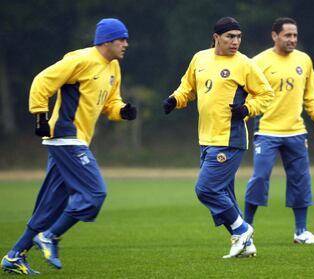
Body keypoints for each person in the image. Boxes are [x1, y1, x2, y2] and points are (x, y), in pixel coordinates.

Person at [1, 18, 137, 275]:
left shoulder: (113, 67)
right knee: (95, 194)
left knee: (51, 205)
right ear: (107, 40)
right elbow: (42, 81)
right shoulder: (80, 60)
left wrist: (122, 111)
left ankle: (14, 255)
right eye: (122, 39)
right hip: (66, 137)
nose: (126, 44)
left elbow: (111, 102)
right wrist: (40, 116)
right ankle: (50, 237)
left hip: (77, 141)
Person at [163, 16, 274, 258]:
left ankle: (242, 229)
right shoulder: (200, 58)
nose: (236, 41)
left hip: (230, 139)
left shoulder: (244, 63)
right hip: (206, 138)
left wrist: (247, 109)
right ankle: (246, 244)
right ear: (216, 37)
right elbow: (187, 87)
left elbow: (266, 94)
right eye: (230, 37)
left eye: (238, 37)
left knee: (206, 189)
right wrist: (175, 100)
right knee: (225, 195)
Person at [244, 17, 314, 245]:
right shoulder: (258, 62)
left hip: (296, 131)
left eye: (295, 35)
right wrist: (243, 115)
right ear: (274, 36)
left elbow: (311, 93)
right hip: (267, 131)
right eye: (288, 35)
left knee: (300, 179)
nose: (292, 39)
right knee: (259, 178)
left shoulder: (304, 60)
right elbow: (248, 95)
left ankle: (301, 231)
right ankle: (245, 230)